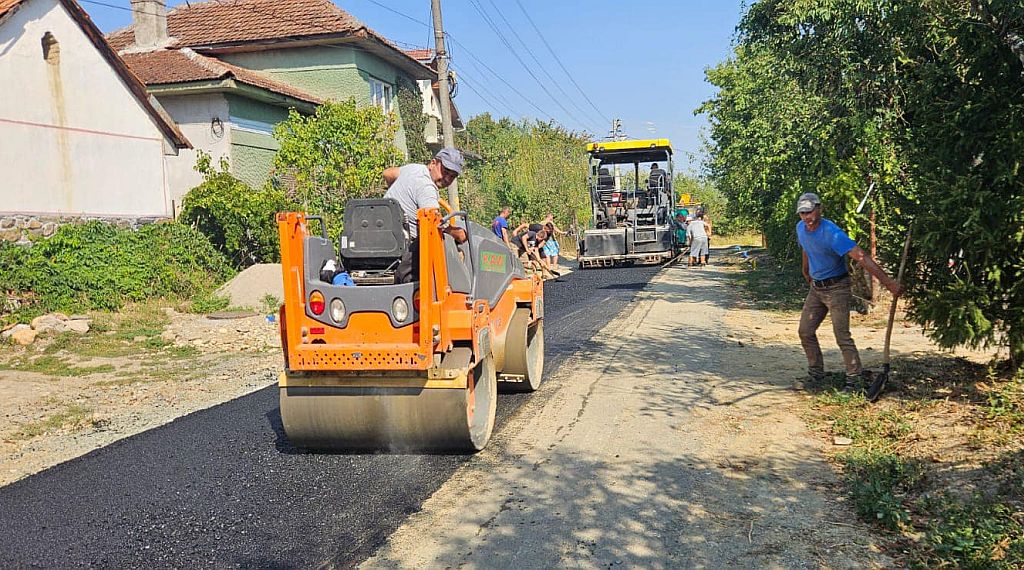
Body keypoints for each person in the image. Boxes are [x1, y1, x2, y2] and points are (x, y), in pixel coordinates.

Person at [795, 192, 902, 391]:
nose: (806, 217)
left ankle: (855, 379)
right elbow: (806, 247)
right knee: (805, 331)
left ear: (819, 209)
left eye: (809, 212)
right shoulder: (800, 228)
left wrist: (888, 283)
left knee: (841, 335)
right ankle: (816, 375)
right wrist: (806, 269)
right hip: (816, 288)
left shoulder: (832, 233)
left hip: (837, 288)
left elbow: (861, 257)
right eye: (802, 213)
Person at [382, 147, 467, 283]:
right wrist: (459, 234)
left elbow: (387, 173)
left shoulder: (413, 169)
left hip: (383, 236)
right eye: (445, 171)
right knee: (457, 253)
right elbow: (435, 224)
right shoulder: (427, 188)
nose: (447, 179)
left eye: (452, 176)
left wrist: (393, 200)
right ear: (433, 163)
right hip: (407, 248)